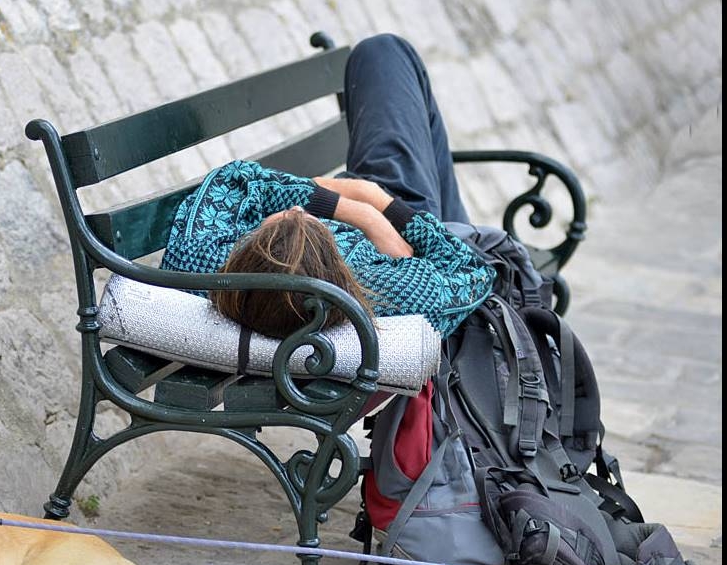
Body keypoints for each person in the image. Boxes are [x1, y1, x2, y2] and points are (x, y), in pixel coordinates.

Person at [161, 34, 496, 339]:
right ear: (341, 270)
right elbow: (473, 270)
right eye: (310, 224)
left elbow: (236, 180)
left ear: (243, 254)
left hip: (374, 213)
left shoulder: (202, 262)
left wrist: (350, 205)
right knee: (383, 53)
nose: (295, 209)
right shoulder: (390, 289)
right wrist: (372, 207)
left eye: (277, 226)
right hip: (403, 225)